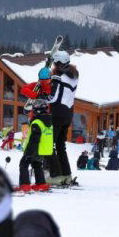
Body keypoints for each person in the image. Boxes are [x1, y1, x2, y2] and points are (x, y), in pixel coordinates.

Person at [47, 50, 79, 186]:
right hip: (68, 113)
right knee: (60, 145)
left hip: (57, 113)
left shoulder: (58, 77)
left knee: (48, 145)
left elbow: (53, 97)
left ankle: (55, 175)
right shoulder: (74, 76)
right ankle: (66, 174)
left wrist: (42, 96)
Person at [18, 100, 54, 192]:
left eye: (33, 110)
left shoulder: (37, 123)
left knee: (23, 164)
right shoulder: (49, 123)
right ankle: (41, 183)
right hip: (43, 149)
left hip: (35, 149)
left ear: (37, 111)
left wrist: (29, 152)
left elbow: (34, 139)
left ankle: (24, 185)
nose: (32, 111)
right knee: (37, 164)